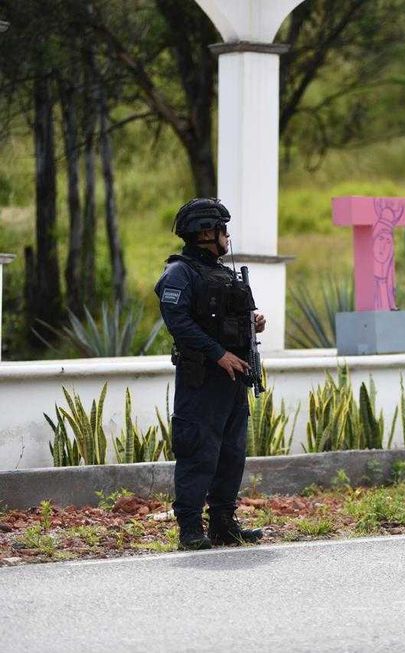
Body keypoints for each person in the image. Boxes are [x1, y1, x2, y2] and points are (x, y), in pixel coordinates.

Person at [154, 198, 266, 550]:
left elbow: (224, 320)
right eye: (222, 230)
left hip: (233, 381)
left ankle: (223, 524)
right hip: (202, 379)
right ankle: (190, 528)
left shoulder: (223, 272)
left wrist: (253, 324)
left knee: (231, 454)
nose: (226, 237)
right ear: (205, 232)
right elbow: (179, 322)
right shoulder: (179, 273)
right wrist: (218, 355)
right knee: (198, 452)